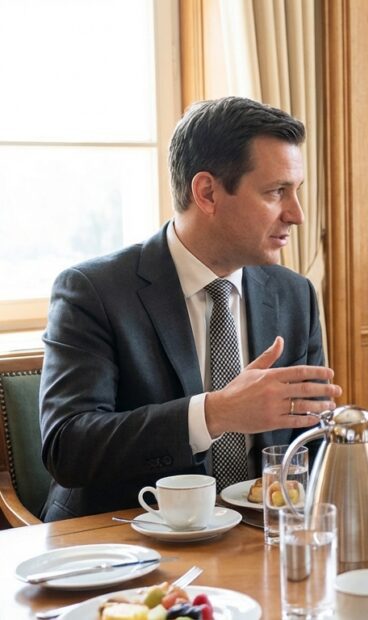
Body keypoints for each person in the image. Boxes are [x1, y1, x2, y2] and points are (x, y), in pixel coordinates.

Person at [39, 96, 342, 521]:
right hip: (122, 543)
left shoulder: (295, 295)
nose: (297, 215)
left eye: (296, 192)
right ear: (207, 193)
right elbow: (68, 448)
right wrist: (214, 414)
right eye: (276, 192)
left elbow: (312, 439)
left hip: (260, 537)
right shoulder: (93, 291)